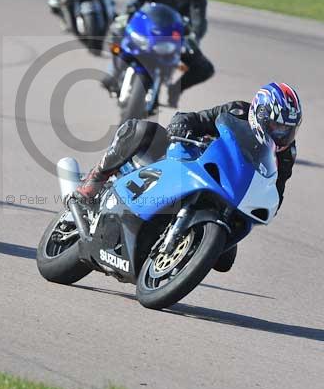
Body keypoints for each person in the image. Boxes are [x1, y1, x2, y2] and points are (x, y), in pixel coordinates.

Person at [72, 82, 303, 272]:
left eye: (288, 130)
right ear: (258, 114)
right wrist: (180, 129)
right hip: (193, 162)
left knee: (224, 260)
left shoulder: (286, 154)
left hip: (228, 192)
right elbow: (192, 119)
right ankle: (94, 182)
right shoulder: (237, 111)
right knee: (142, 130)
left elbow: (275, 189)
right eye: (276, 126)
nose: (281, 135)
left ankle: (178, 252)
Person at [118, 0, 213, 107]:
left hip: (174, 38)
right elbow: (133, 5)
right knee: (117, 37)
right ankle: (114, 74)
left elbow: (199, 20)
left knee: (205, 68)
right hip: (146, 31)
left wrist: (194, 37)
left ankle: (175, 90)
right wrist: (126, 18)